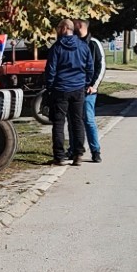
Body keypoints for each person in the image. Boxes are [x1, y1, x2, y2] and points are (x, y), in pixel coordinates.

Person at [41, 18, 91, 166]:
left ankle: (59, 156)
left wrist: (50, 86)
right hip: (78, 88)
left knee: (58, 123)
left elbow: (51, 70)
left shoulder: (57, 47)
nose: (57, 30)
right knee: (77, 121)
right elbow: (90, 67)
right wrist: (85, 83)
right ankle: (78, 154)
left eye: (58, 27)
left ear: (64, 28)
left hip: (60, 88)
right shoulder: (83, 46)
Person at [76, 20, 106, 163]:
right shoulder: (74, 42)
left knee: (89, 120)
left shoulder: (94, 43)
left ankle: (95, 150)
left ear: (82, 26)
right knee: (74, 121)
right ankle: (75, 150)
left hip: (89, 90)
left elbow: (101, 65)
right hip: (75, 88)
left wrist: (94, 85)